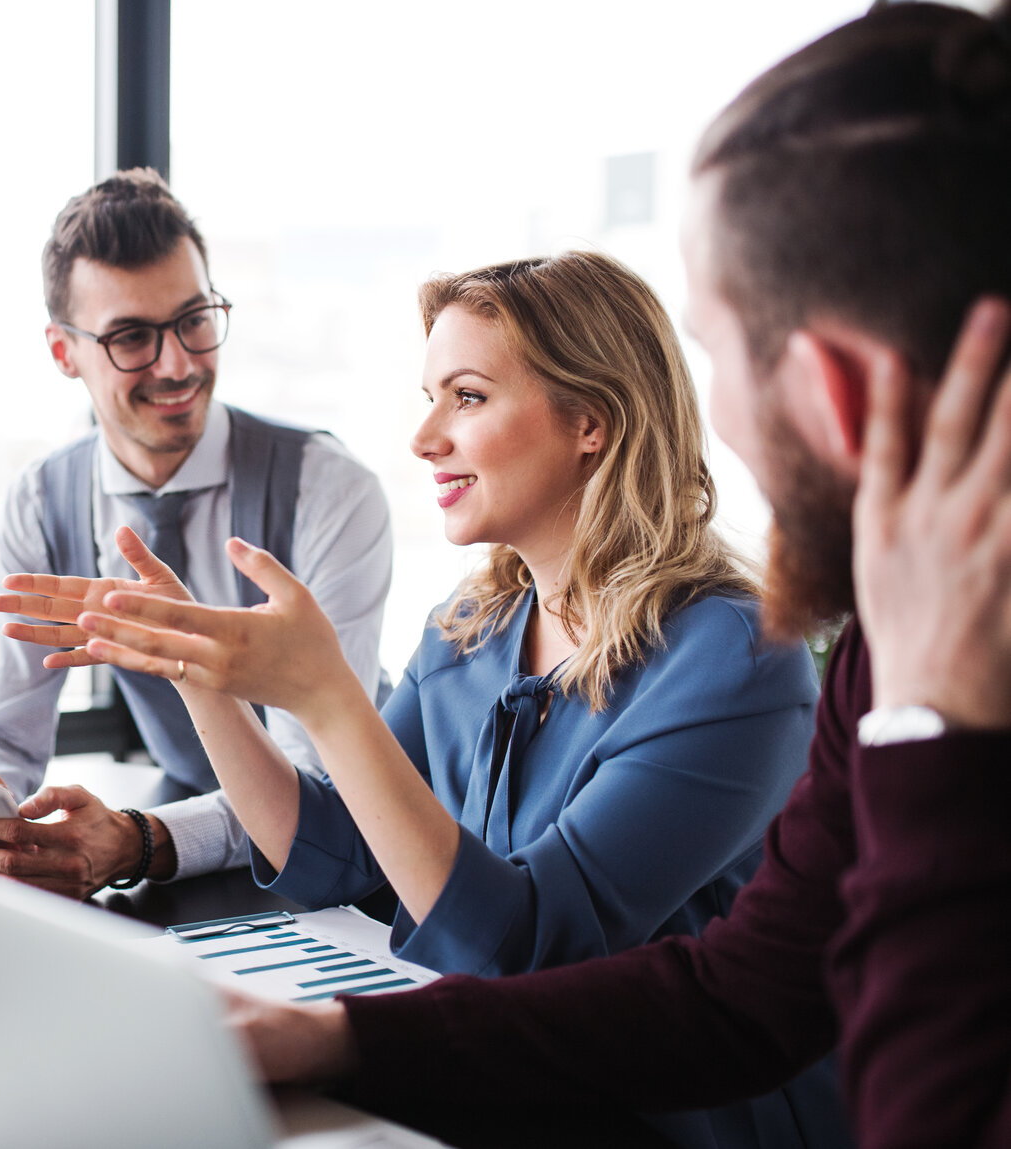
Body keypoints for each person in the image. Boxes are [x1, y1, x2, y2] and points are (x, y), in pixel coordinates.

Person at [204, 7, 1011, 1149]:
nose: (719, 413)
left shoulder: (771, 652)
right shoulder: (884, 649)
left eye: (724, 353)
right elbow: (741, 994)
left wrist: (937, 729)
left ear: (830, 388)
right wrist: (344, 1040)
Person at [7, 250, 837, 1147]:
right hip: (497, 1076)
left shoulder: (737, 657)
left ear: (590, 420)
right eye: (430, 396)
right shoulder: (473, 622)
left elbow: (531, 948)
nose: (425, 436)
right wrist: (199, 671)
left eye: (468, 397)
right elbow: (332, 847)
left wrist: (329, 698)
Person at [0, 169, 392, 898]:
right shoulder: (40, 504)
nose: (178, 364)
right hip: (192, 837)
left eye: (194, 319)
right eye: (132, 337)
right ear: (62, 352)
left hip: (351, 855)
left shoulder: (331, 491)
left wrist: (140, 840)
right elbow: (0, 732)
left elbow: (319, 786)